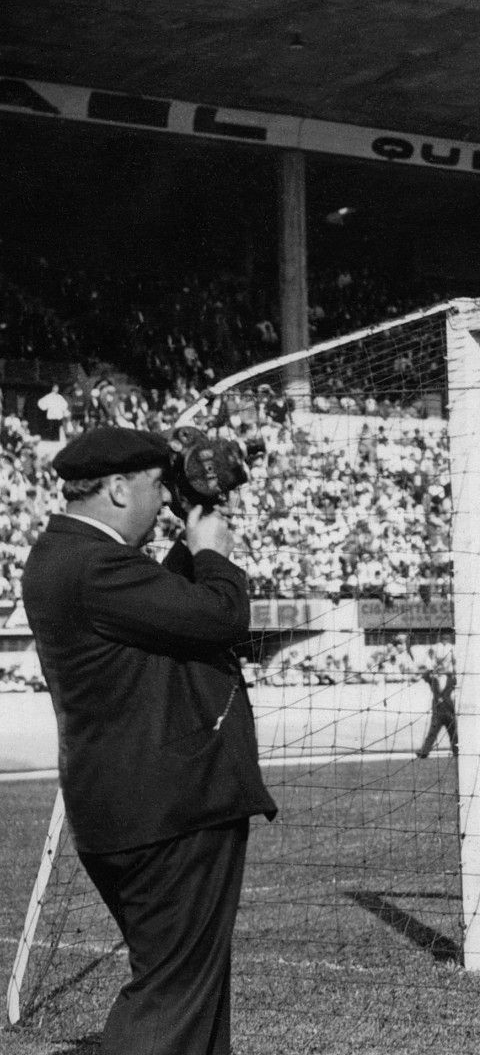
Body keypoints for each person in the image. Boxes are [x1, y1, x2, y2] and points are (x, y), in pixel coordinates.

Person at [21, 425, 277, 1055]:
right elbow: (218, 615)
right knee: (171, 997)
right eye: (158, 485)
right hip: (167, 813)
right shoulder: (93, 565)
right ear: (115, 487)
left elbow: (164, 612)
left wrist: (194, 533)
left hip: (139, 808)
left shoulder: (71, 556)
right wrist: (213, 551)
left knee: (191, 993)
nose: (166, 501)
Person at [415, 646, 460, 759]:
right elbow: (424, 676)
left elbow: (457, 676)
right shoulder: (433, 679)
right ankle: (424, 752)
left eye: (442, 665)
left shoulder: (450, 678)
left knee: (453, 733)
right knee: (432, 732)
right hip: (438, 711)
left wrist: (453, 664)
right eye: (438, 665)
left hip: (449, 710)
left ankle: (457, 752)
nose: (440, 667)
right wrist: (431, 667)